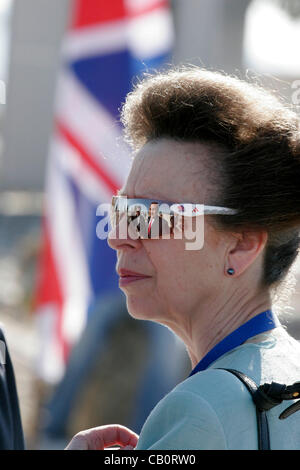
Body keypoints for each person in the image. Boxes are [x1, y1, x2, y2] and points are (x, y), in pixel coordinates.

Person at [66, 66, 300, 450]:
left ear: (241, 245)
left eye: (151, 217)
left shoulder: (199, 408)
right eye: (121, 212)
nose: (119, 239)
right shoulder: (289, 371)